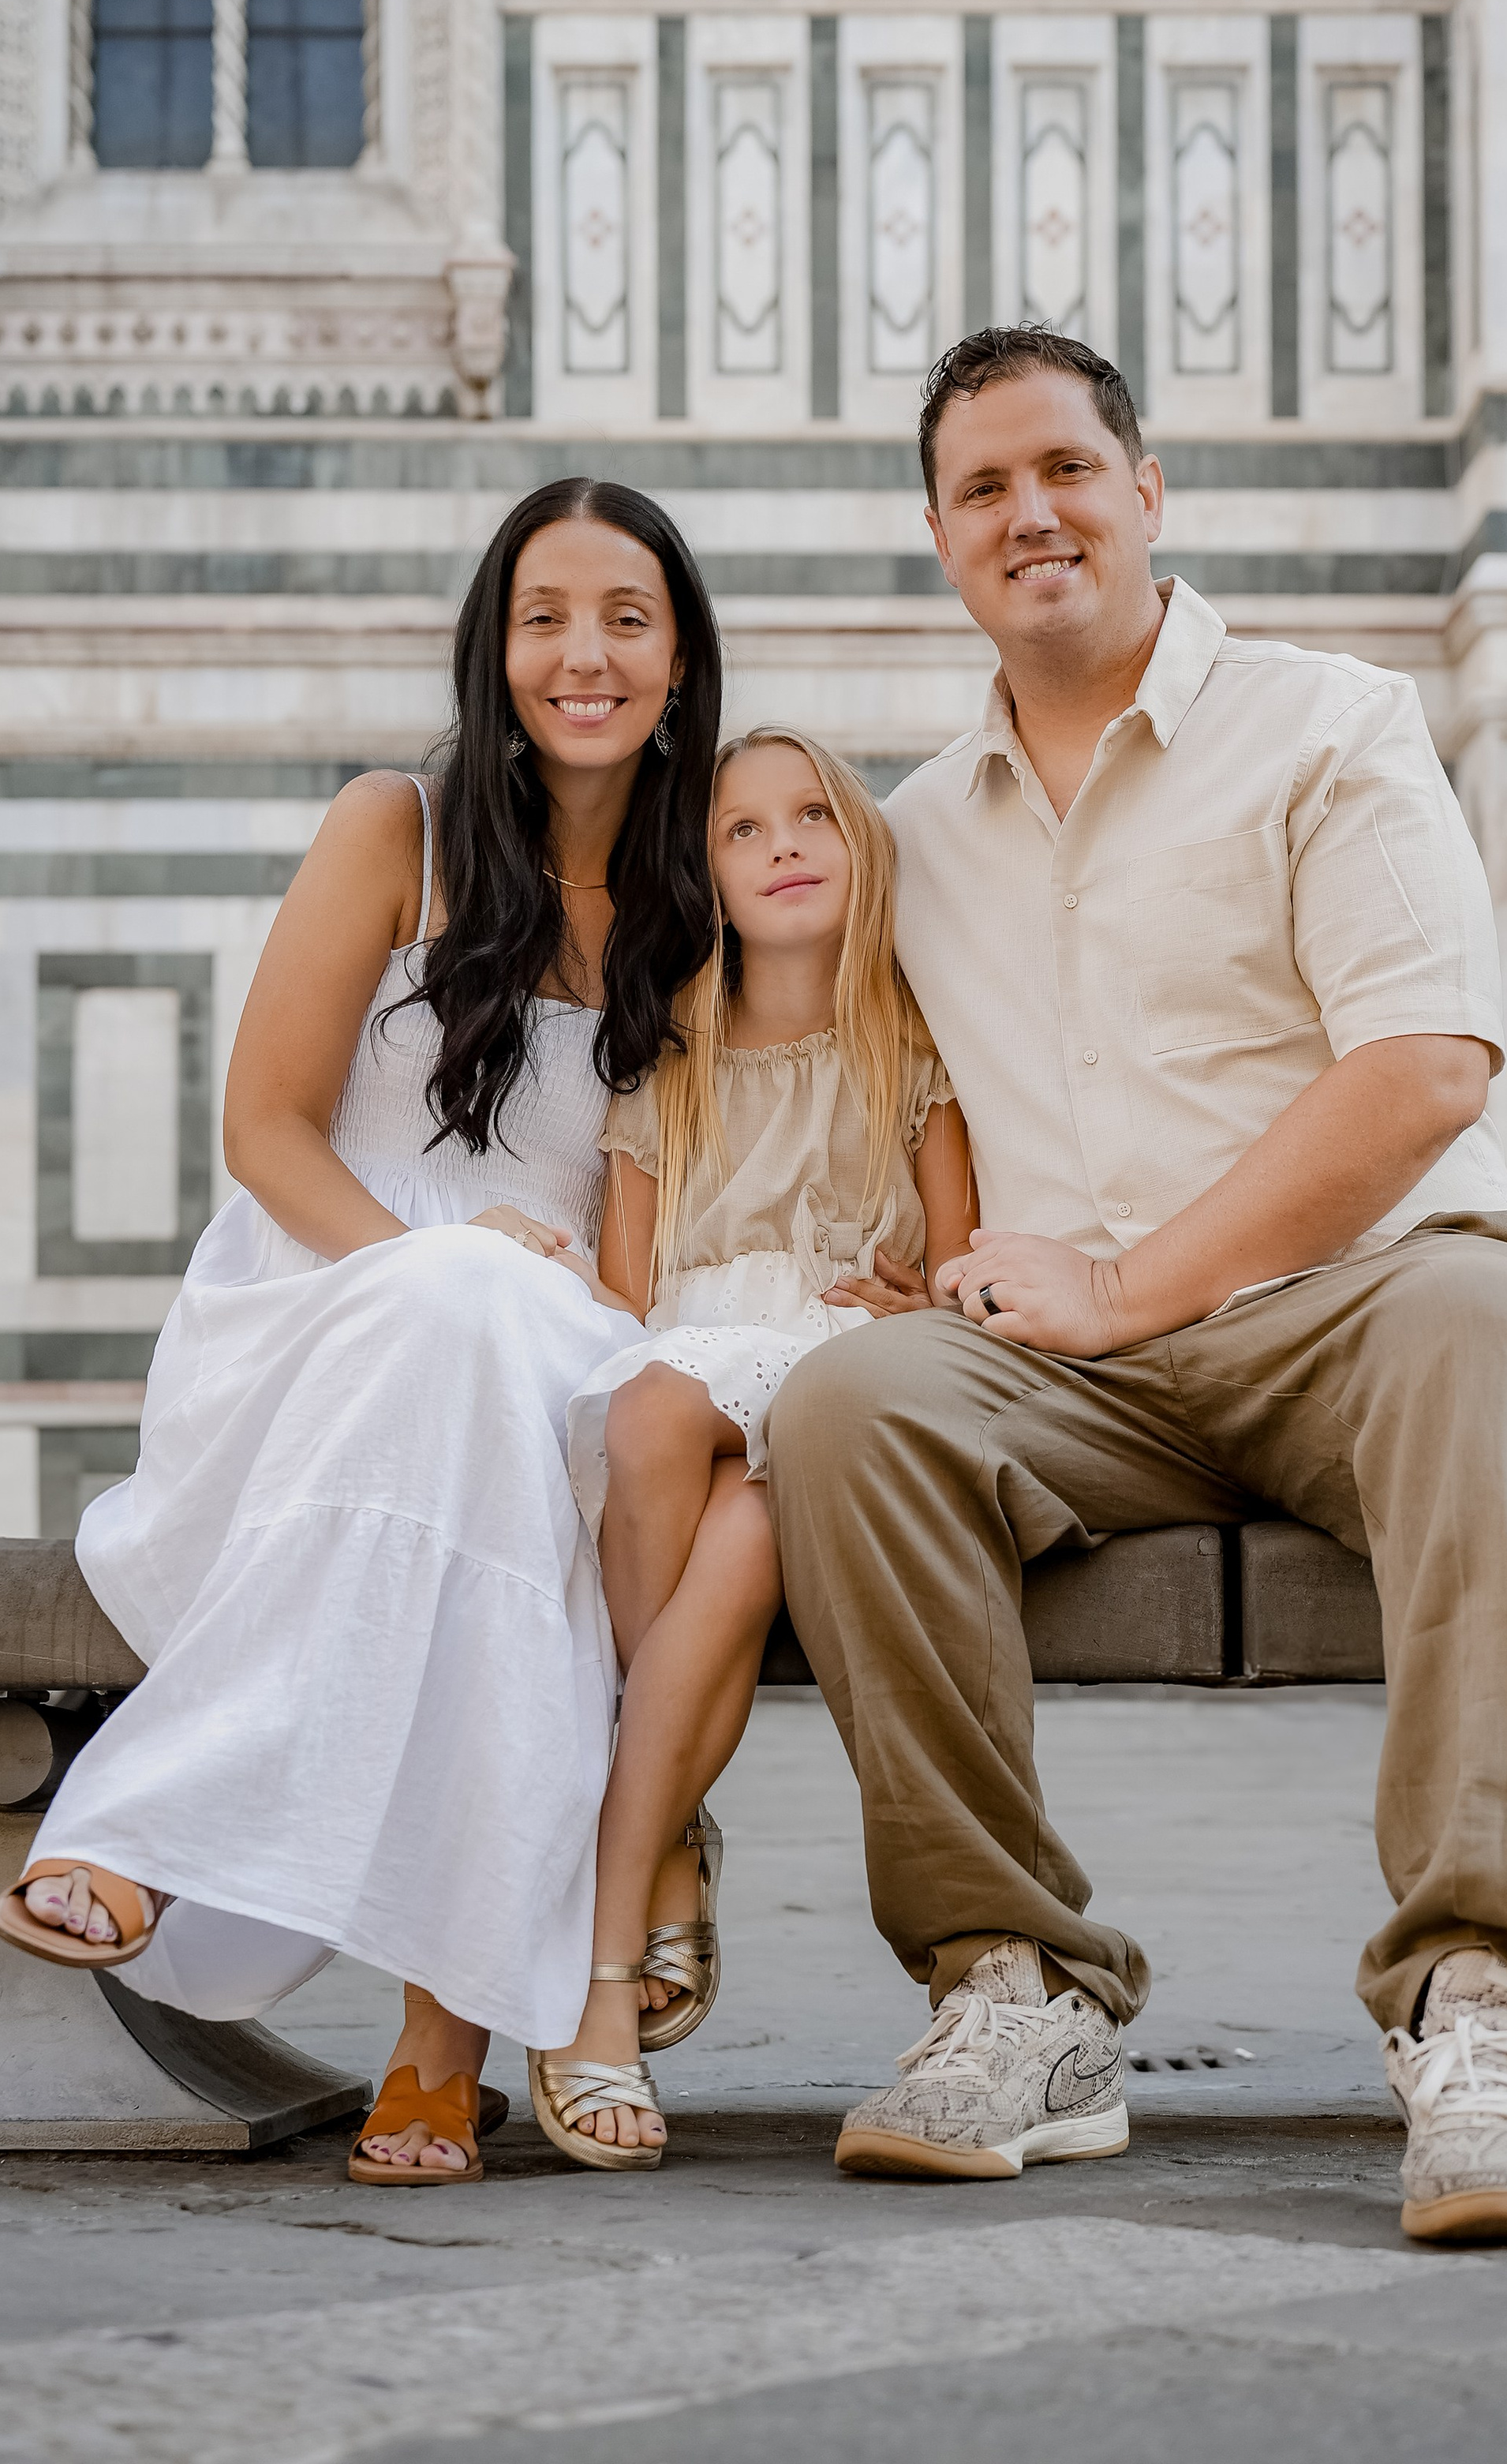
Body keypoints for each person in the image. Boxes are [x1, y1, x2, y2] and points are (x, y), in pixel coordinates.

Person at [764, 327, 1507, 2244]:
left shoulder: (1328, 721)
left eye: (1065, 467)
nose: (1030, 512)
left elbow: (1419, 1077)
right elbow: (872, 1103)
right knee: (847, 1409)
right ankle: (1017, 1989)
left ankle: (1489, 2010)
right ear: (937, 537)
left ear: (1146, 493)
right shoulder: (909, 835)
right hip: (1076, 1365)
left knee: (1492, 1317)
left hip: (1358, 1307)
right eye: (981, 487)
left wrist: (1132, 1282)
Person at [0, 478, 723, 2189]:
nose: (582, 652)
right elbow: (264, 1128)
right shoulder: (393, 825)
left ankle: (149, 1840)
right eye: (544, 615)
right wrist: (424, 1262)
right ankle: (433, 2047)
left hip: (555, 1338)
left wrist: (526, 1287)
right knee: (455, 1326)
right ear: (495, 647)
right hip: (310, 1313)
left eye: (626, 615)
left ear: (678, 659)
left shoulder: (698, 899)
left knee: (504, 1369)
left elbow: (660, 1217)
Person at [532, 728, 977, 2168]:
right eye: (743, 829)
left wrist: (926, 1298)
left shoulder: (916, 1047)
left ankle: (601, 1966)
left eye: (813, 818)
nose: (783, 845)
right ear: (707, 873)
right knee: (671, 1429)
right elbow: (622, 1294)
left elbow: (960, 1270)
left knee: (714, 1473)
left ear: (863, 848)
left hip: (845, 1371)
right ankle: (661, 1846)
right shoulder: (667, 1056)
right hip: (693, 1370)